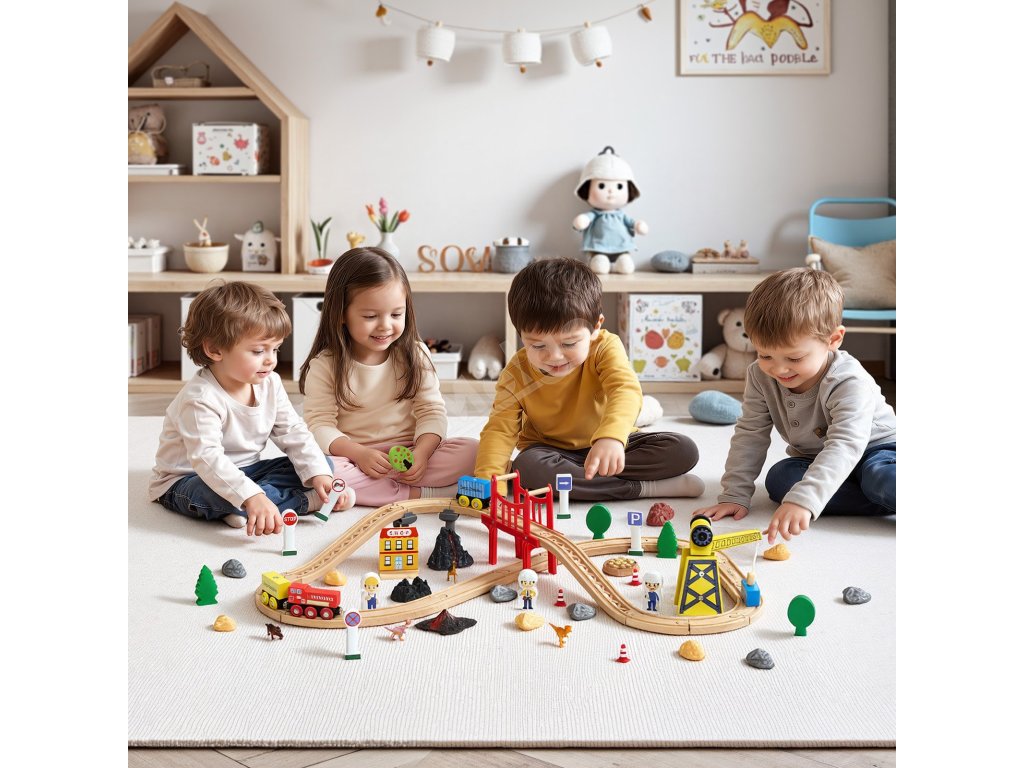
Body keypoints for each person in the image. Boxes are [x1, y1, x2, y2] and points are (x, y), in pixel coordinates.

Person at [474, 257, 704, 500]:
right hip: (552, 453)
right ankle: (644, 488)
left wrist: (611, 437)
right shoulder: (516, 372)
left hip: (611, 444)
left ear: (596, 327)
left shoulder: (605, 347)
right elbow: (499, 429)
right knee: (528, 468)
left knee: (683, 450)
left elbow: (625, 390)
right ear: (521, 336)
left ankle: (590, 480)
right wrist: (489, 485)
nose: (554, 356)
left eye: (569, 343)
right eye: (538, 345)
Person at [694, 268, 896, 544]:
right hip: (818, 458)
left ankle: (874, 491)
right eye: (765, 355)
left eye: (794, 358)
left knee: (879, 478)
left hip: (879, 452)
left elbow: (845, 444)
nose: (778, 369)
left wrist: (804, 500)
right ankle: (873, 497)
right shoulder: (759, 376)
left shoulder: (848, 380)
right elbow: (750, 434)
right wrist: (734, 494)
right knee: (781, 480)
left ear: (833, 340)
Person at [150, 281, 353, 536]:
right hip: (189, 478)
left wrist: (318, 475)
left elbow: (293, 432)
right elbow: (207, 459)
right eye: (258, 351)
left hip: (249, 472)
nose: (271, 360)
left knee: (322, 463)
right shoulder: (200, 399)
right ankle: (299, 502)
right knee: (208, 494)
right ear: (214, 349)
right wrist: (250, 496)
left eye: (275, 349)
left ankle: (248, 508)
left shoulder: (270, 383)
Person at [299, 248, 478, 506]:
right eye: (371, 316)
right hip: (354, 457)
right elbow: (319, 425)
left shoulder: (415, 354)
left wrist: (422, 453)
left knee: (473, 451)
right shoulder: (325, 365)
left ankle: (378, 490)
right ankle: (420, 493)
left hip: (410, 450)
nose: (385, 325)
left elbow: (431, 411)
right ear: (341, 314)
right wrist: (359, 454)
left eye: (396, 314)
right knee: (321, 469)